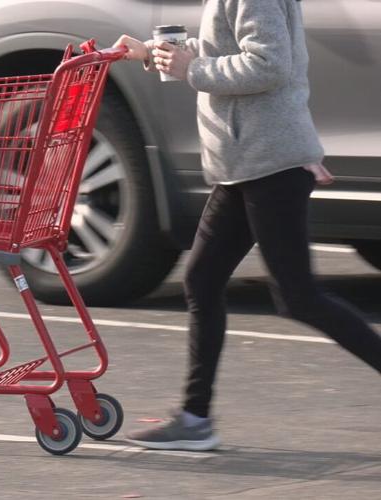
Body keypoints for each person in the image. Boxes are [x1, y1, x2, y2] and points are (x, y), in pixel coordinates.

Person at [113, 0, 381, 451]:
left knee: (300, 298)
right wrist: (152, 52)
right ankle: (195, 419)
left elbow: (269, 64)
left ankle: (195, 419)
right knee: (203, 279)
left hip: (269, 164)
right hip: (244, 165)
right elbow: (229, 48)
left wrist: (193, 69)